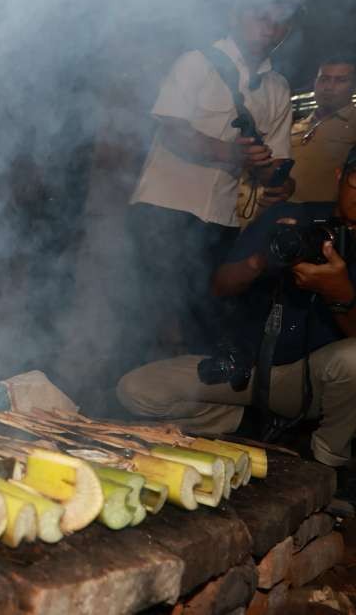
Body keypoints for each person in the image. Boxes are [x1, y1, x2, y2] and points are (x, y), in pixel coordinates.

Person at [119, 145, 356, 480]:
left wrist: (340, 294)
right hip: (248, 369)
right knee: (137, 391)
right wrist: (260, 261)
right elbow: (220, 286)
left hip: (317, 382)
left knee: (353, 360)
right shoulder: (291, 216)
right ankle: (257, 426)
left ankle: (326, 464)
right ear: (340, 176)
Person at [125, 0, 301, 359]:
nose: (269, 27)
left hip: (221, 222)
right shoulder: (196, 62)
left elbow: (278, 163)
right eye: (261, 15)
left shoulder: (278, 88)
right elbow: (172, 131)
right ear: (236, 15)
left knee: (200, 323)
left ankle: (185, 411)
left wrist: (279, 185)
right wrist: (233, 155)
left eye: (280, 21)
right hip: (164, 209)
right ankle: (123, 403)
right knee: (149, 318)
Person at [290, 55, 356, 202]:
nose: (329, 87)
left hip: (325, 219)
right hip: (281, 212)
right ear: (315, 83)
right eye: (324, 79)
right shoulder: (296, 125)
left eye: (341, 80)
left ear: (354, 86)